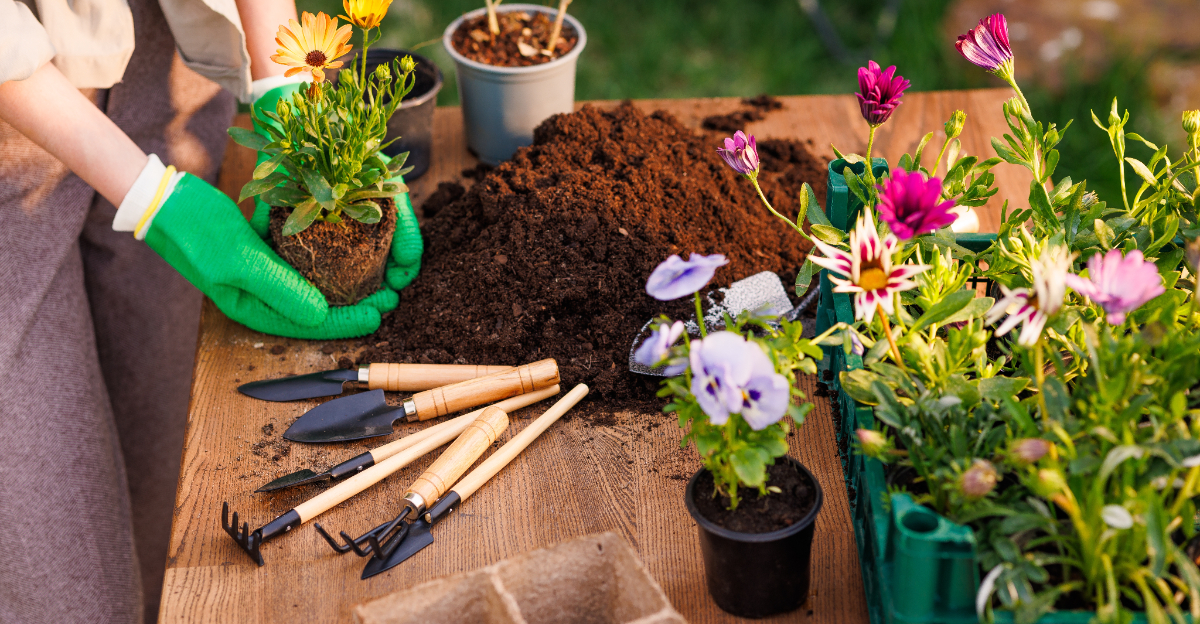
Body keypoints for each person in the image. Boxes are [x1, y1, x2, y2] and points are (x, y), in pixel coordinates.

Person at [0, 1, 419, 621]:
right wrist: (152, 199)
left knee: (169, 486)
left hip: (163, 59)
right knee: (68, 581)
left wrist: (287, 90)